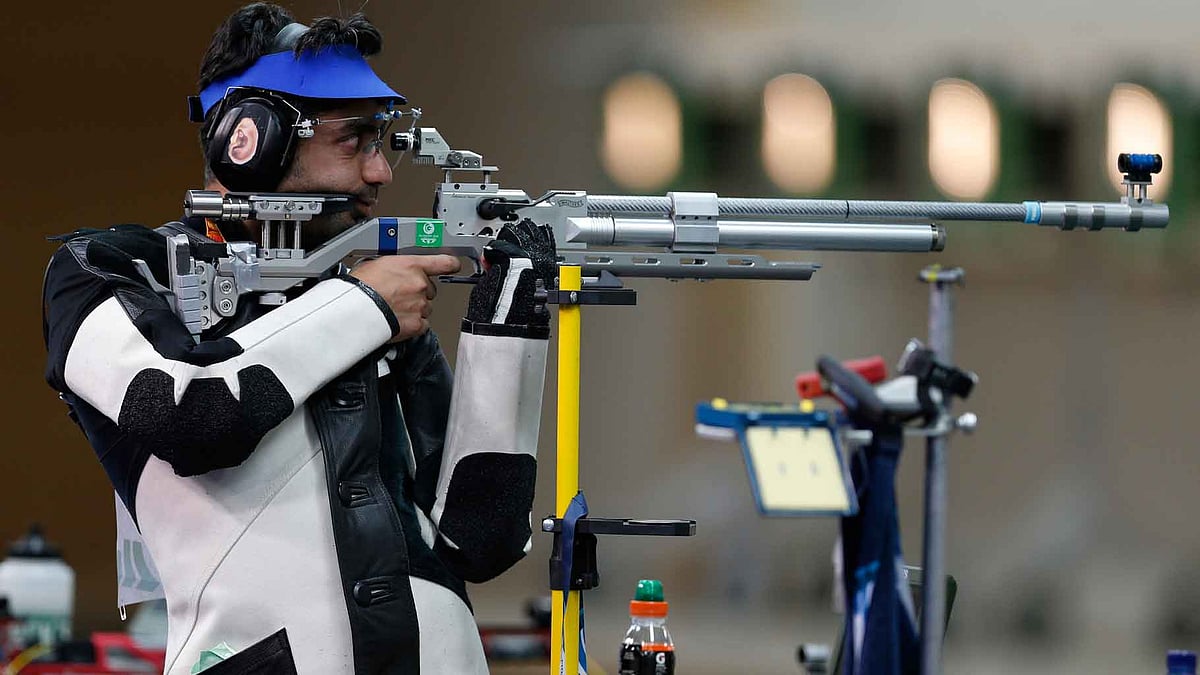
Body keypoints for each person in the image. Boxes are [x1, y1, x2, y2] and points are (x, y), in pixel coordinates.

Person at [42, 4, 556, 673]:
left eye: (383, 142)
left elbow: (482, 538)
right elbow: (191, 414)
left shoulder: (367, 305)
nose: (382, 174)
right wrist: (366, 302)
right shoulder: (108, 270)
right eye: (357, 140)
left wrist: (508, 324)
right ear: (251, 138)